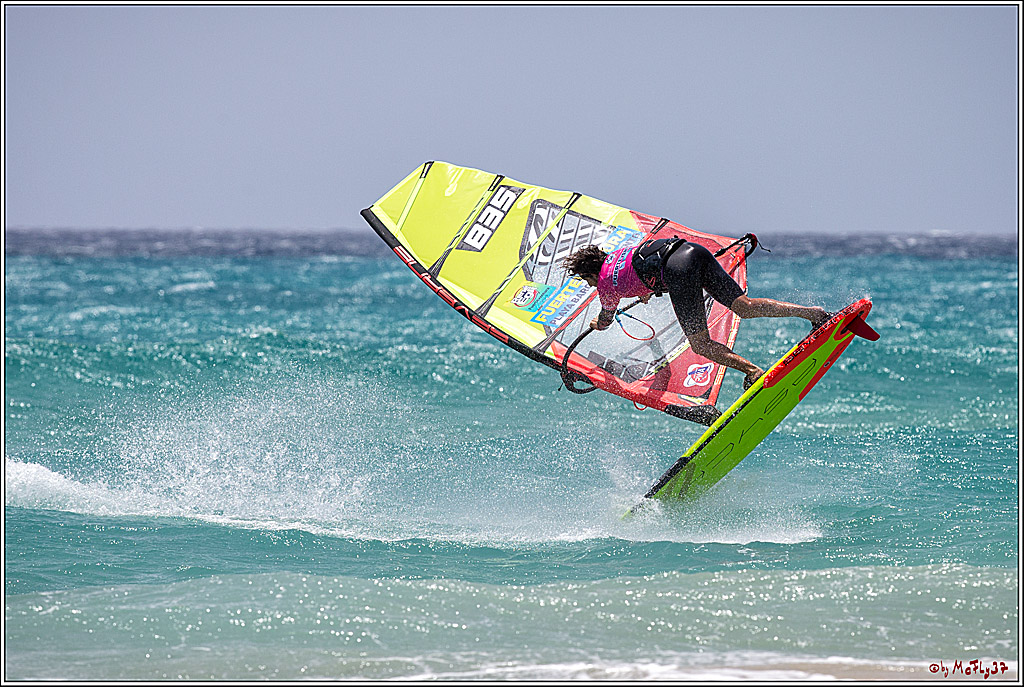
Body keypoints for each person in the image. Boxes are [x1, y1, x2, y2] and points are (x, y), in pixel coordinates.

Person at [560, 238, 829, 390]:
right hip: (691, 252)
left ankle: (753, 371)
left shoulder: (605, 283)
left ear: (590, 273)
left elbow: (606, 319)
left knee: (700, 345)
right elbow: (639, 269)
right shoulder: (619, 254)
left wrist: (598, 322)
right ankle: (814, 314)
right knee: (743, 307)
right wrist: (646, 289)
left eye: (587, 281)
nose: (591, 286)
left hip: (677, 271)